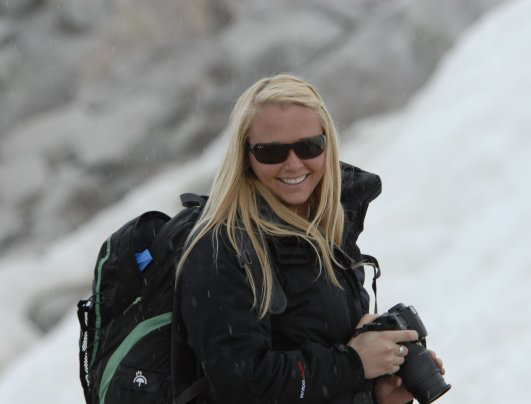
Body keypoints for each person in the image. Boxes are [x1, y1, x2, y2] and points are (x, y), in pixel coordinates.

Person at [172, 73, 445, 404]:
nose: (292, 164)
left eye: (308, 146)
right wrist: (355, 363)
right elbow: (240, 383)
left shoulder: (326, 233)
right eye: (270, 152)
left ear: (327, 144)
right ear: (245, 157)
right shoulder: (220, 247)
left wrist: (376, 394)